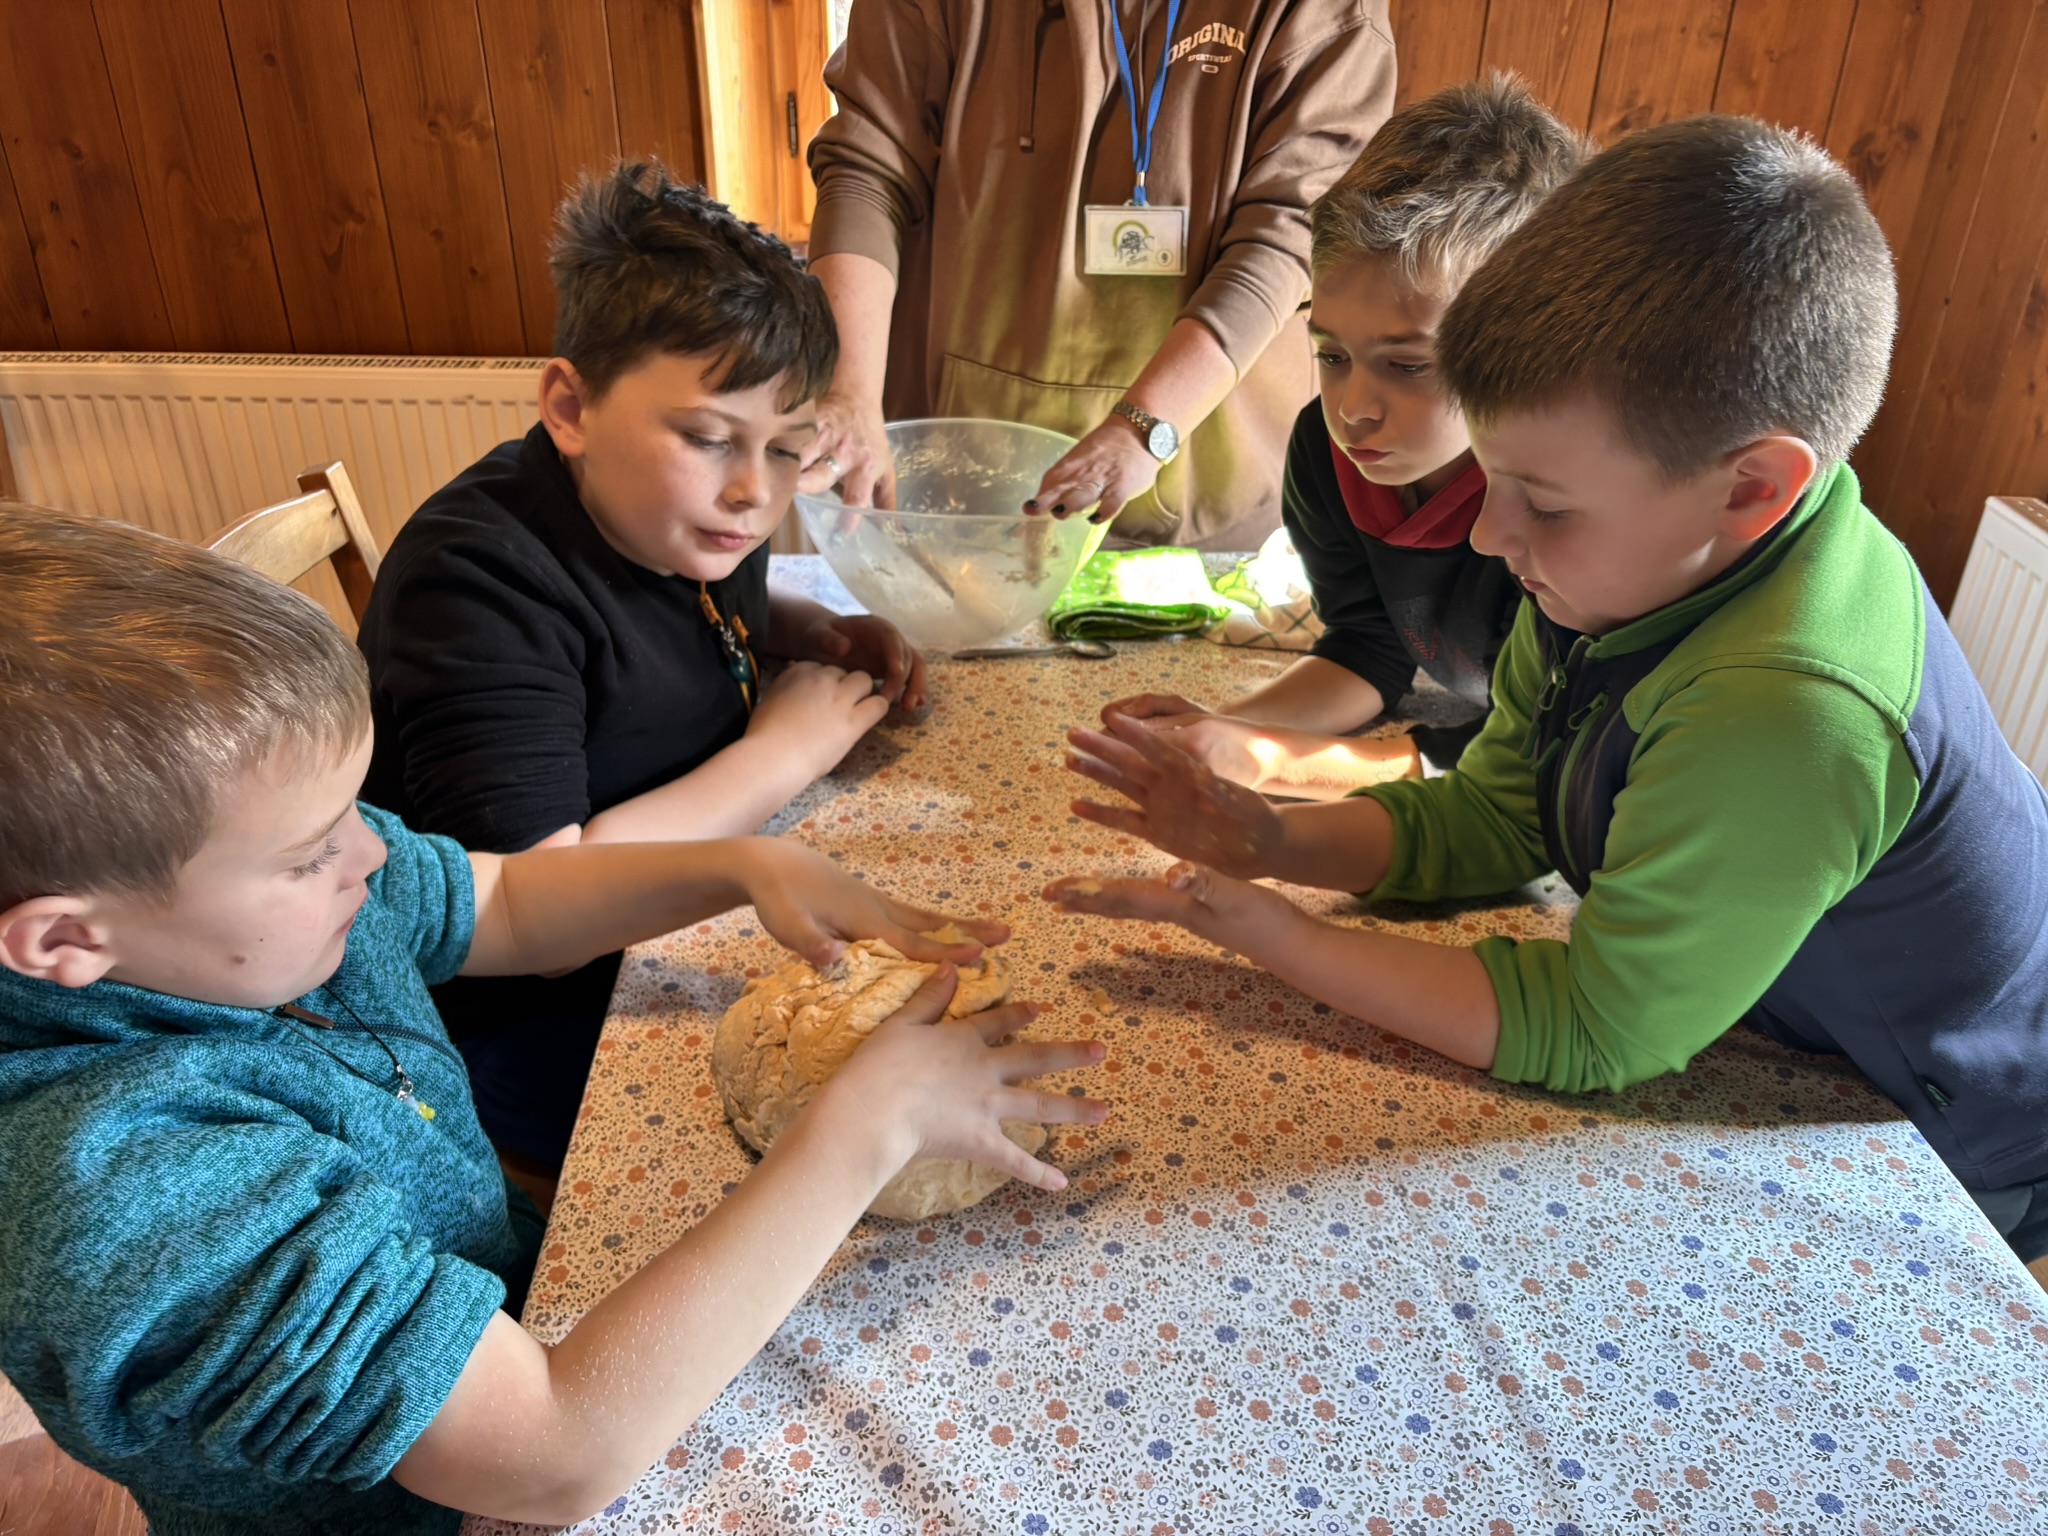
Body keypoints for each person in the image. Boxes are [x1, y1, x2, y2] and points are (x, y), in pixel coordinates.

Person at [1048, 116, 2048, 1263]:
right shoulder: (1627, 568)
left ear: (1751, 489)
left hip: (1944, 1132)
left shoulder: (1788, 706)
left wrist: (1274, 935)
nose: (1487, 532)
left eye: (1544, 502)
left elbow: (1590, 1026)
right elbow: (1496, 814)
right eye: (1491, 476)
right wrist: (1272, 838)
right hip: (1766, 1026)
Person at [0, 508, 1107, 1535]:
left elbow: (506, 902)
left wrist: (738, 865)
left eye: (351, 811)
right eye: (309, 852)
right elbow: (556, 1450)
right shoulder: (130, 1200)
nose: (372, 852)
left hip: (520, 1305)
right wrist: (870, 1122)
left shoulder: (229, 910)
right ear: (63, 941)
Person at [358, 163, 925, 1189]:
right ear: (570, 407)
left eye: (787, 450)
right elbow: (537, 914)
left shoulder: (679, 517)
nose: (753, 494)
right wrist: (782, 754)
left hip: (656, 932)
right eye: (708, 439)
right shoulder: (477, 582)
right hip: (503, 1029)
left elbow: (676, 619)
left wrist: (806, 629)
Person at [1108, 76, 1585, 794]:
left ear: (1528, 349)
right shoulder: (1325, 454)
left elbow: (1543, 749)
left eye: (1408, 365)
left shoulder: (1570, 505)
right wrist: (1222, 728)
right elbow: (1368, 647)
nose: (1353, 409)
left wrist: (1279, 763)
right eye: (1331, 356)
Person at [801, 0, 1396, 549]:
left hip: (1204, 487)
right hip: (952, 487)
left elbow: (1290, 231)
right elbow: (867, 166)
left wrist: (1144, 428)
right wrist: (849, 391)